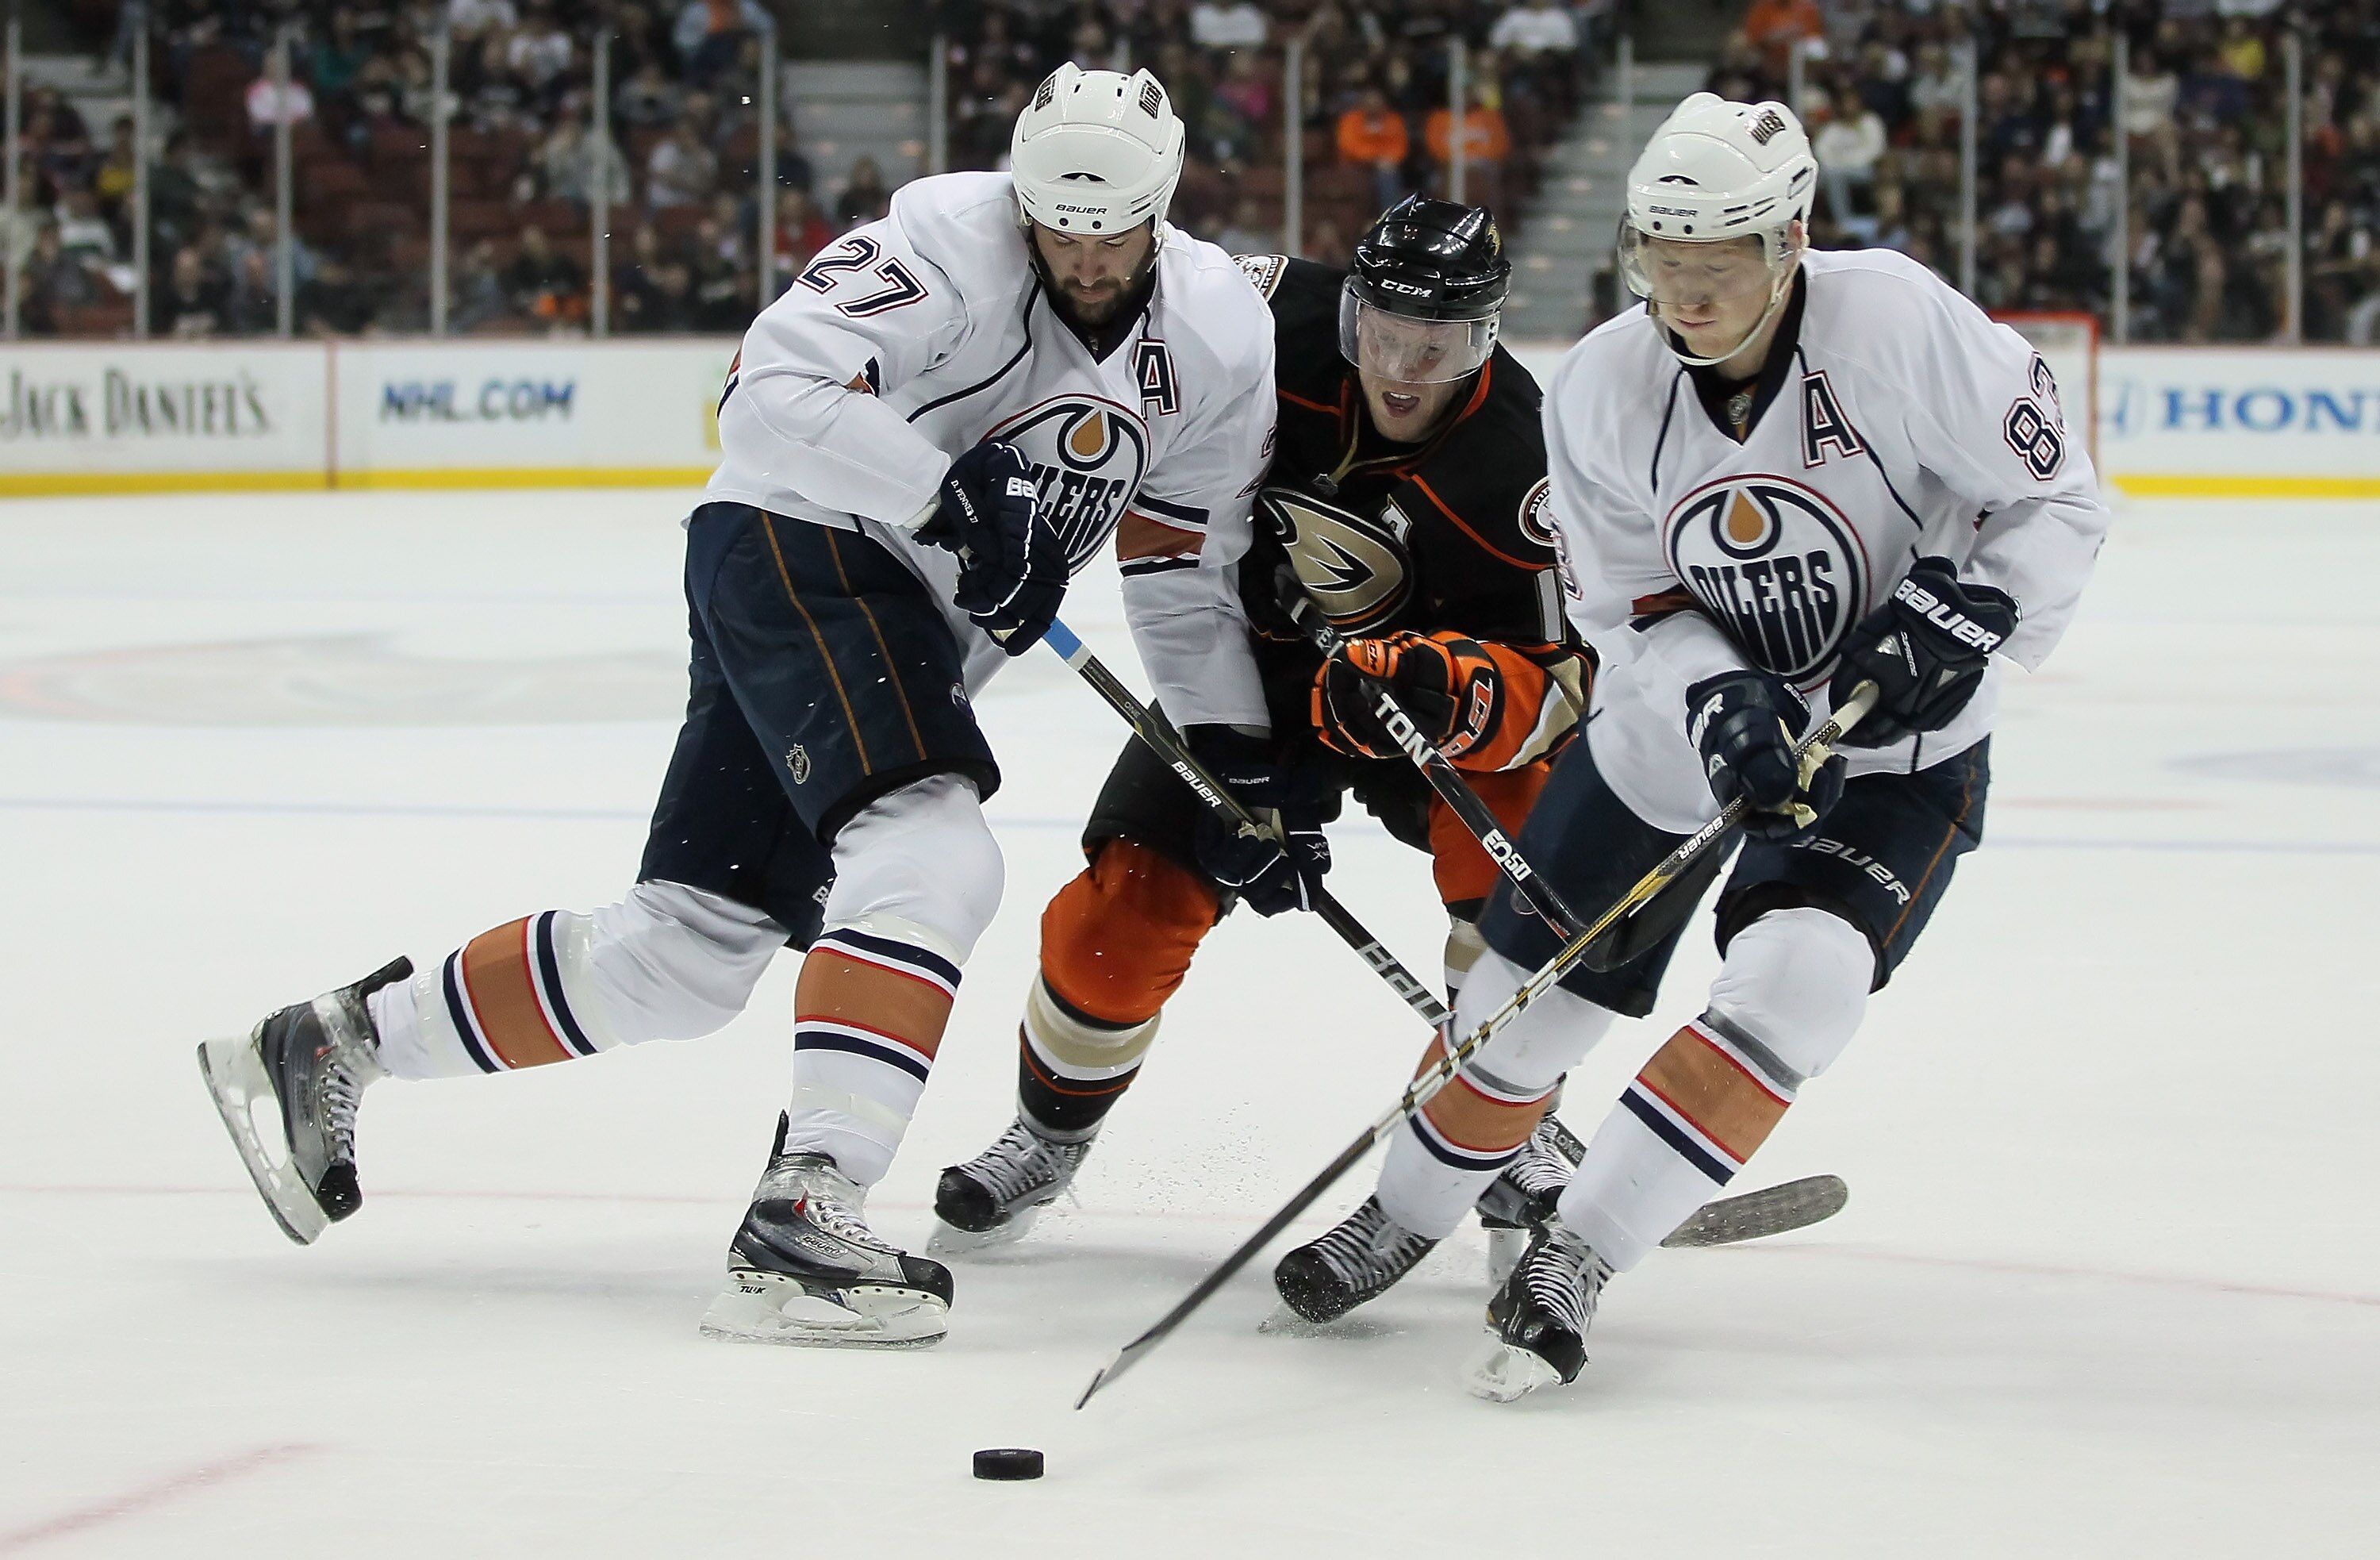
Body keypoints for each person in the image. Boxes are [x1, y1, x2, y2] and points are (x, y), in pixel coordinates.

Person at [198, 64, 1279, 1355]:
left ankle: (335, 1042)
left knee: (687, 953)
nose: (1086, 260)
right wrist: (944, 498)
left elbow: (1181, 565)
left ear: (1162, 209)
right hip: (796, 539)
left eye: (1114, 235)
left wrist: (1232, 753)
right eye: (1061, 229)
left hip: (890, 611)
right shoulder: (943, 239)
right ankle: (806, 1209)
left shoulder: (1219, 336)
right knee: (931, 846)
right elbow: (767, 396)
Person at [1269, 94, 2108, 1400]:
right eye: (1664, 261)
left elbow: (2052, 500)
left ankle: (1580, 1254)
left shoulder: (1897, 323)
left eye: (1719, 264)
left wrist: (1970, 614)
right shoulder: (1606, 383)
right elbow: (1626, 607)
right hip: (1673, 735)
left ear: (1791, 241)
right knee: (1528, 998)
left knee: (1803, 982)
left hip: (1894, 748)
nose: (1689, 294)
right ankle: (1406, 1210)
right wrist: (1719, 698)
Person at [930, 198, 1594, 1259]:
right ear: (1351, 310)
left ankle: (1502, 1120)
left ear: (1485, 338)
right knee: (1119, 919)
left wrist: (1450, 688)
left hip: (1417, 700)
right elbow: (1131, 308)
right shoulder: (1264, 318)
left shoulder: (1522, 464)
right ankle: (1049, 1134)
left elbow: (1563, 687)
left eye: (1436, 346)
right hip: (1242, 675)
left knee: (1520, 854)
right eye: (1382, 333)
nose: (1402, 370)